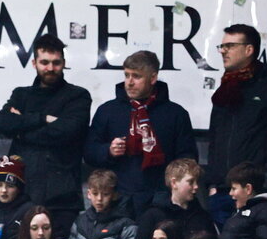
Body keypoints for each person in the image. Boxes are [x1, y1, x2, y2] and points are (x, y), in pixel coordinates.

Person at [0, 34, 91, 239]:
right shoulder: (21, 95)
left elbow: (67, 132)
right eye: (44, 62)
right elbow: (4, 122)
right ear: (34, 63)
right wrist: (44, 118)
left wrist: (23, 128)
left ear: (63, 63)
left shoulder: (78, 96)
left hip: (62, 197)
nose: (50, 68)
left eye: (56, 63)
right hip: (22, 194)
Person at [85, 49, 198, 215]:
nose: (129, 82)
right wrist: (108, 150)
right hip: (117, 199)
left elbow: (187, 158)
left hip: (161, 199)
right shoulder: (108, 111)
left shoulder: (176, 114)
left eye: (136, 76)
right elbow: (89, 152)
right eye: (126, 75)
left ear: (153, 78)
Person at [207, 24, 267, 226]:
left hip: (257, 190)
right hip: (223, 190)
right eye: (222, 46)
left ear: (249, 50)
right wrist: (214, 182)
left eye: (230, 46)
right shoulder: (226, 87)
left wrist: (265, 180)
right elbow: (215, 137)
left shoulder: (266, 85)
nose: (223, 51)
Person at [132, 158, 216, 239]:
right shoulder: (153, 215)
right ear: (174, 183)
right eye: (191, 182)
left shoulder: (202, 215)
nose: (196, 186)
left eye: (197, 182)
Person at [220, 161, 267, 239]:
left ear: (248, 189)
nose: (230, 194)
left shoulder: (264, 210)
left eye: (234, 188)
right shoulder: (241, 210)